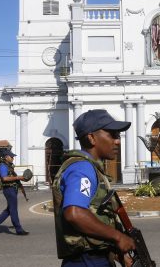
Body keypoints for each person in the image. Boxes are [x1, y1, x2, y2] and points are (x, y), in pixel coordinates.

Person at [52, 109, 135, 267]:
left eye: (118, 136)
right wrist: (118, 237)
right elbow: (74, 213)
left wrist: (117, 254)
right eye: (112, 135)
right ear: (91, 138)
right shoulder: (82, 168)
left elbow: (93, 218)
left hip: (94, 259)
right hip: (85, 261)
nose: (117, 141)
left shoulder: (90, 168)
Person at [0, 148, 29, 236]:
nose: (13, 158)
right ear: (6, 157)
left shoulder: (8, 165)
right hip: (9, 190)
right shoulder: (3, 166)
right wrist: (18, 178)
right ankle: (19, 229)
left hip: (12, 189)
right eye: (11, 156)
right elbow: (4, 178)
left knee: (9, 210)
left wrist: (22, 179)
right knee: (13, 210)